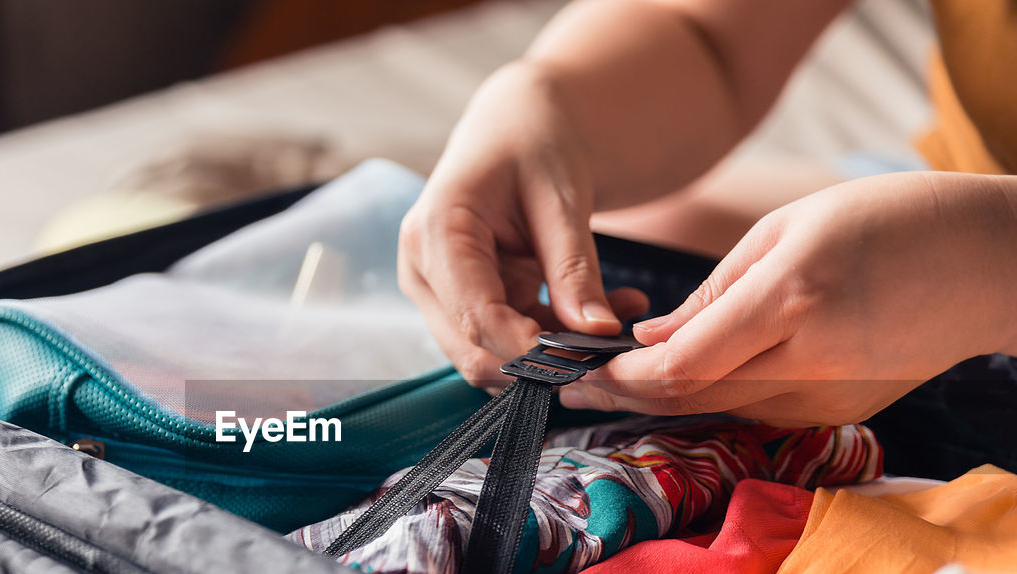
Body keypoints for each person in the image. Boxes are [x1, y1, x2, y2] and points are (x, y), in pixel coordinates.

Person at [398, 0, 1017, 427]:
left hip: (974, 230)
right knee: (630, 249)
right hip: (955, 186)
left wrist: (992, 262)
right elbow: (707, 33)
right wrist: (544, 98)